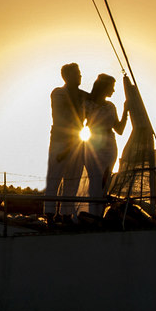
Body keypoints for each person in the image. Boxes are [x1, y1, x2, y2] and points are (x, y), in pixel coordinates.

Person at [44, 63, 89, 220]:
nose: (80, 76)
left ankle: (66, 215)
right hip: (60, 141)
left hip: (77, 142)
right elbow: (61, 116)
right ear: (67, 76)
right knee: (54, 178)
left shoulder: (84, 95)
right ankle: (49, 214)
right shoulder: (58, 93)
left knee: (73, 180)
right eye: (77, 73)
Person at [83, 73, 128, 208]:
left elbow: (119, 130)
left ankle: (100, 212)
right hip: (93, 145)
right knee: (95, 180)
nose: (113, 90)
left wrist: (125, 110)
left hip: (109, 146)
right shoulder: (87, 104)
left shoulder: (111, 106)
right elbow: (77, 124)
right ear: (104, 87)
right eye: (112, 87)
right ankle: (93, 212)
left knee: (106, 180)